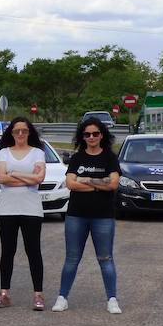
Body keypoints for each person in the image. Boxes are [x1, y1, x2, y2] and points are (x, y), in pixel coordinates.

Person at [52, 117, 122, 315]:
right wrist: (99, 184)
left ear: (102, 135)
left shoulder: (110, 157)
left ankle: (112, 299)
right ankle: (62, 297)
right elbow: (70, 184)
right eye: (87, 134)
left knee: (105, 258)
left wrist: (85, 179)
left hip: (103, 216)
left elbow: (114, 184)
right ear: (82, 137)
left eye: (95, 134)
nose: (91, 137)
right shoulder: (77, 158)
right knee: (72, 258)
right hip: (77, 215)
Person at [0, 116, 47, 310]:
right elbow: (1, 178)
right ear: (11, 133)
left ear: (29, 132)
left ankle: (38, 294)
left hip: (31, 208)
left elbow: (39, 179)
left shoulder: (38, 153)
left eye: (24, 130)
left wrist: (14, 174)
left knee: (33, 251)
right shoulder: (3, 153)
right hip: (7, 208)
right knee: (8, 251)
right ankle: (4, 293)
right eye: (16, 131)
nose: (20, 134)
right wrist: (28, 177)